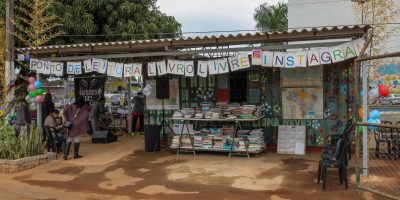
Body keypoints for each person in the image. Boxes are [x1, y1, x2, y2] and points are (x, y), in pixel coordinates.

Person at [63, 96, 90, 160]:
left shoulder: (71, 106)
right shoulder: (84, 107)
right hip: (77, 126)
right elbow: (86, 115)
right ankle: (75, 155)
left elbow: (65, 112)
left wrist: (67, 120)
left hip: (71, 125)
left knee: (69, 139)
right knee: (77, 139)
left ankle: (65, 155)